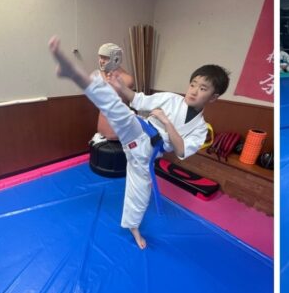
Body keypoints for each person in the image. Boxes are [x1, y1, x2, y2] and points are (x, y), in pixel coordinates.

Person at [48, 38, 225, 250]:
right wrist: (121, 87)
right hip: (139, 131)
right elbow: (138, 99)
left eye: (202, 88)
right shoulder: (170, 99)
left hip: (147, 156)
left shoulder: (200, 128)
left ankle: (134, 228)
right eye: (193, 84)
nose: (194, 91)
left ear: (213, 97)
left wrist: (167, 122)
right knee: (114, 106)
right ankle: (73, 72)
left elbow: (181, 151)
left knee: (140, 195)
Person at [91, 42, 136, 145]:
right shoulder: (98, 75)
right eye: (100, 57)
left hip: (119, 131)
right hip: (101, 131)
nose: (101, 61)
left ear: (116, 59)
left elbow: (109, 92)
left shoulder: (127, 79)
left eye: (105, 58)